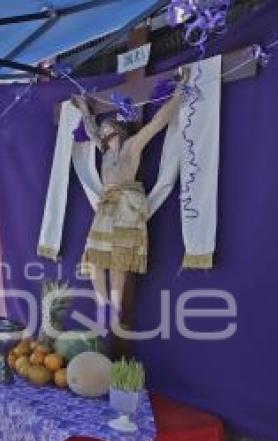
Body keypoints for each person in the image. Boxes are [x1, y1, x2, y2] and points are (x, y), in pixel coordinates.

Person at [70, 66, 191, 318]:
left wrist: (179, 92)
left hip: (126, 206)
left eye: (107, 128)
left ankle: (114, 306)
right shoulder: (104, 152)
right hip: (106, 206)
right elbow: (91, 129)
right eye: (101, 131)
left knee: (119, 260)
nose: (102, 133)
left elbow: (158, 122)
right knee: (93, 257)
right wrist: (83, 107)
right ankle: (102, 305)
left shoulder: (132, 146)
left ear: (118, 130)